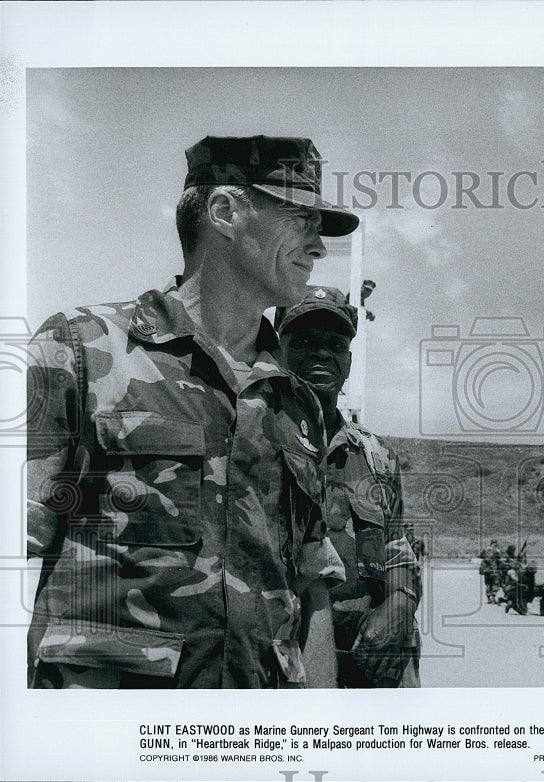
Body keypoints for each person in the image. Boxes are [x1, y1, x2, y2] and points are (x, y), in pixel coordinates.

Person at [26, 135, 358, 688]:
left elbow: (311, 583)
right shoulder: (83, 349)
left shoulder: (296, 403)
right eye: (300, 219)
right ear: (225, 211)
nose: (318, 247)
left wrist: (318, 739)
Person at [276, 286, 421, 688]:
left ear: (348, 361)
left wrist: (400, 602)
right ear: (276, 350)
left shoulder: (375, 455)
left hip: (372, 661)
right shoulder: (257, 444)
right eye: (304, 341)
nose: (321, 352)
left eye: (335, 344)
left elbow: (400, 550)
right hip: (287, 660)